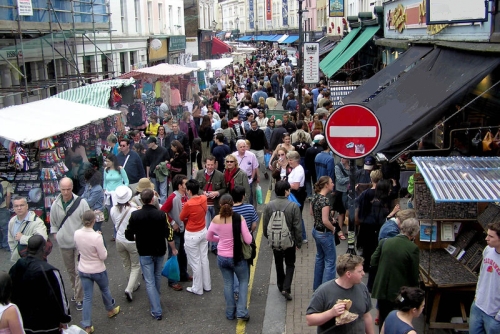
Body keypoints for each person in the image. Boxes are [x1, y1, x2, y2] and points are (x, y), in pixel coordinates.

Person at [125, 189, 177, 321]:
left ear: (141, 200)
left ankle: (156, 308)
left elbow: (128, 233)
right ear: (153, 199)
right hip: (159, 250)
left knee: (149, 280)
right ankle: (156, 301)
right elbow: (169, 232)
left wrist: (136, 237)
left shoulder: (135, 215)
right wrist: (173, 247)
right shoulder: (161, 214)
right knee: (157, 276)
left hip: (144, 251)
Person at [8, 235, 69, 334]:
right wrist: (64, 319)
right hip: (47, 325)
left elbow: (9, 291)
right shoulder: (50, 271)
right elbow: (60, 298)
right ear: (44, 248)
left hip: (23, 322)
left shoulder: (17, 266)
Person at [206, 194, 252, 321]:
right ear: (232, 204)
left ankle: (230, 312)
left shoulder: (216, 219)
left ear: (220, 205)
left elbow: (208, 237)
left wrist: (219, 238)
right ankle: (242, 312)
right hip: (237, 257)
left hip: (222, 256)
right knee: (243, 281)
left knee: (228, 283)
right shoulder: (239, 218)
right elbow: (248, 240)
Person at [74, 211, 120, 333]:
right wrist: (99, 236)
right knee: (105, 290)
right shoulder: (97, 237)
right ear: (94, 221)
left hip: (83, 268)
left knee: (88, 297)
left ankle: (87, 325)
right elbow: (103, 255)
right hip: (97, 269)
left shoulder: (77, 233)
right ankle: (110, 309)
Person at [306, 254, 374, 334]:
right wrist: (331, 313)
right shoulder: (324, 291)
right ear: (348, 274)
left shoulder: (362, 288)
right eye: (359, 271)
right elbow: (310, 320)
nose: (363, 273)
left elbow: (366, 316)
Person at [371, 218, 420, 328]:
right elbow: (414, 274)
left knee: (383, 319)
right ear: (415, 232)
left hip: (382, 287)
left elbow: (373, 260)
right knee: (397, 320)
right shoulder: (413, 248)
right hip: (398, 291)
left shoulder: (385, 242)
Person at [50, 178, 90, 311]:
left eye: (68, 189)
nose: (66, 192)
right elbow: (54, 223)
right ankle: (75, 291)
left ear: (72, 188)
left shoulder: (81, 202)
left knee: (80, 271)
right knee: (71, 270)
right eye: (63, 189)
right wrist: (56, 235)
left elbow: (87, 220)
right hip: (64, 243)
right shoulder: (55, 204)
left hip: (79, 242)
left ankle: (79, 297)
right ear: (59, 189)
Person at [263, 181, 302, 301]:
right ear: (286, 191)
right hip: (289, 240)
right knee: (290, 264)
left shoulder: (269, 206)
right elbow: (297, 227)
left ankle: (280, 285)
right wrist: (298, 242)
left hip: (275, 240)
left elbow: (265, 226)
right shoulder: (293, 206)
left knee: (278, 263)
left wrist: (269, 237)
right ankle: (286, 287)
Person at [179, 179, 211, 295]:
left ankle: (197, 288)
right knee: (204, 258)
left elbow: (181, 217)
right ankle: (206, 284)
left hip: (192, 234)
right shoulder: (204, 198)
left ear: (189, 191)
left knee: (195, 262)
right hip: (203, 231)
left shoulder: (188, 204)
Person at [110, 186, 141, 302]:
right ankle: (130, 288)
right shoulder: (133, 211)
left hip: (119, 239)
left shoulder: (113, 209)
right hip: (131, 240)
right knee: (135, 265)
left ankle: (132, 283)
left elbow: (115, 224)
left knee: (126, 263)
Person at [161, 175, 191, 291]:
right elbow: (163, 211)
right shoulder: (173, 197)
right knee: (174, 253)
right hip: (176, 231)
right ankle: (172, 280)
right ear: (180, 186)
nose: (187, 185)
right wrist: (173, 222)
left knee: (183, 253)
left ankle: (183, 274)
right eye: (185, 183)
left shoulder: (185, 195)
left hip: (184, 229)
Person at [469, 221, 500, 334]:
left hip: (493, 313)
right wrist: (477, 295)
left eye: (491, 236)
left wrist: (498, 316)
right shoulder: (488, 250)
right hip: (478, 306)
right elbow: (482, 274)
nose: (487, 238)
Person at [195, 156, 227, 254]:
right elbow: (196, 187)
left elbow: (224, 188)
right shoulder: (199, 173)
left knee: (216, 226)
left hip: (215, 205)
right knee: (206, 226)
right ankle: (206, 245)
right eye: (208, 165)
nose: (209, 167)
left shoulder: (220, 175)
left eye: (212, 165)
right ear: (205, 164)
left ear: (215, 164)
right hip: (204, 205)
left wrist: (217, 193)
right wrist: (202, 193)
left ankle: (214, 246)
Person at [310, 176, 337, 291]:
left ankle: (317, 287)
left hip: (316, 231)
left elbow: (311, 213)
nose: (333, 184)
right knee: (330, 262)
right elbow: (325, 221)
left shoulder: (315, 197)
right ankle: (327, 290)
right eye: (331, 182)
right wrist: (333, 228)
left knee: (320, 258)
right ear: (326, 185)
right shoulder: (325, 200)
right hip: (325, 234)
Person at [7, 196, 48, 263]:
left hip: (34, 261)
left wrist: (22, 238)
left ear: (27, 206)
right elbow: (11, 240)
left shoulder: (37, 222)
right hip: (18, 261)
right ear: (13, 208)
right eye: (16, 206)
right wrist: (14, 253)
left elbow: (42, 240)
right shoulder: (12, 221)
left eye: (22, 205)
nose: (19, 208)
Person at [287, 151, 307, 243]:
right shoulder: (295, 168)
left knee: (297, 216)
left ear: (296, 160)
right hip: (295, 194)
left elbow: (295, 186)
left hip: (297, 195)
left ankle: (302, 237)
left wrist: (285, 185)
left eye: (290, 160)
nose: (289, 161)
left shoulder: (299, 170)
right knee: (297, 215)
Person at [232, 140, 259, 208]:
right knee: (238, 195)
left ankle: (251, 209)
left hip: (248, 178)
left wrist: (252, 178)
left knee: (249, 196)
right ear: (237, 148)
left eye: (244, 146)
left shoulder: (251, 155)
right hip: (237, 179)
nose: (243, 148)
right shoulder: (233, 156)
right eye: (241, 147)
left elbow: (254, 167)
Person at [145, 136, 170, 204]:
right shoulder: (148, 152)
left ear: (153, 143)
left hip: (162, 173)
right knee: (155, 191)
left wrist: (161, 165)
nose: (148, 145)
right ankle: (157, 205)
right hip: (153, 174)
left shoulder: (163, 150)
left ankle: (163, 207)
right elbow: (147, 164)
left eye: (149, 143)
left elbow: (167, 160)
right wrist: (148, 175)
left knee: (163, 192)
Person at [0, 177, 13, 251]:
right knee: (5, 228)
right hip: (3, 208)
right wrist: (7, 206)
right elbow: (8, 195)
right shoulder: (6, 183)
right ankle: (6, 244)